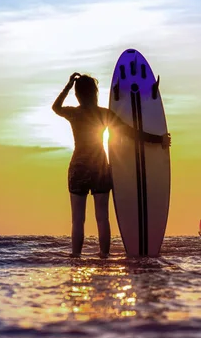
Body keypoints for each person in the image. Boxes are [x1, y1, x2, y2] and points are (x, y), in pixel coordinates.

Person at [52, 72, 171, 257]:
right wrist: (158, 140)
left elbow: (55, 107)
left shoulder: (74, 113)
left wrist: (68, 85)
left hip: (78, 168)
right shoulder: (103, 114)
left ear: (77, 95)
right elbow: (131, 133)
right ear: (95, 93)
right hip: (99, 168)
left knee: (77, 221)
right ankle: (104, 257)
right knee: (102, 219)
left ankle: (75, 257)